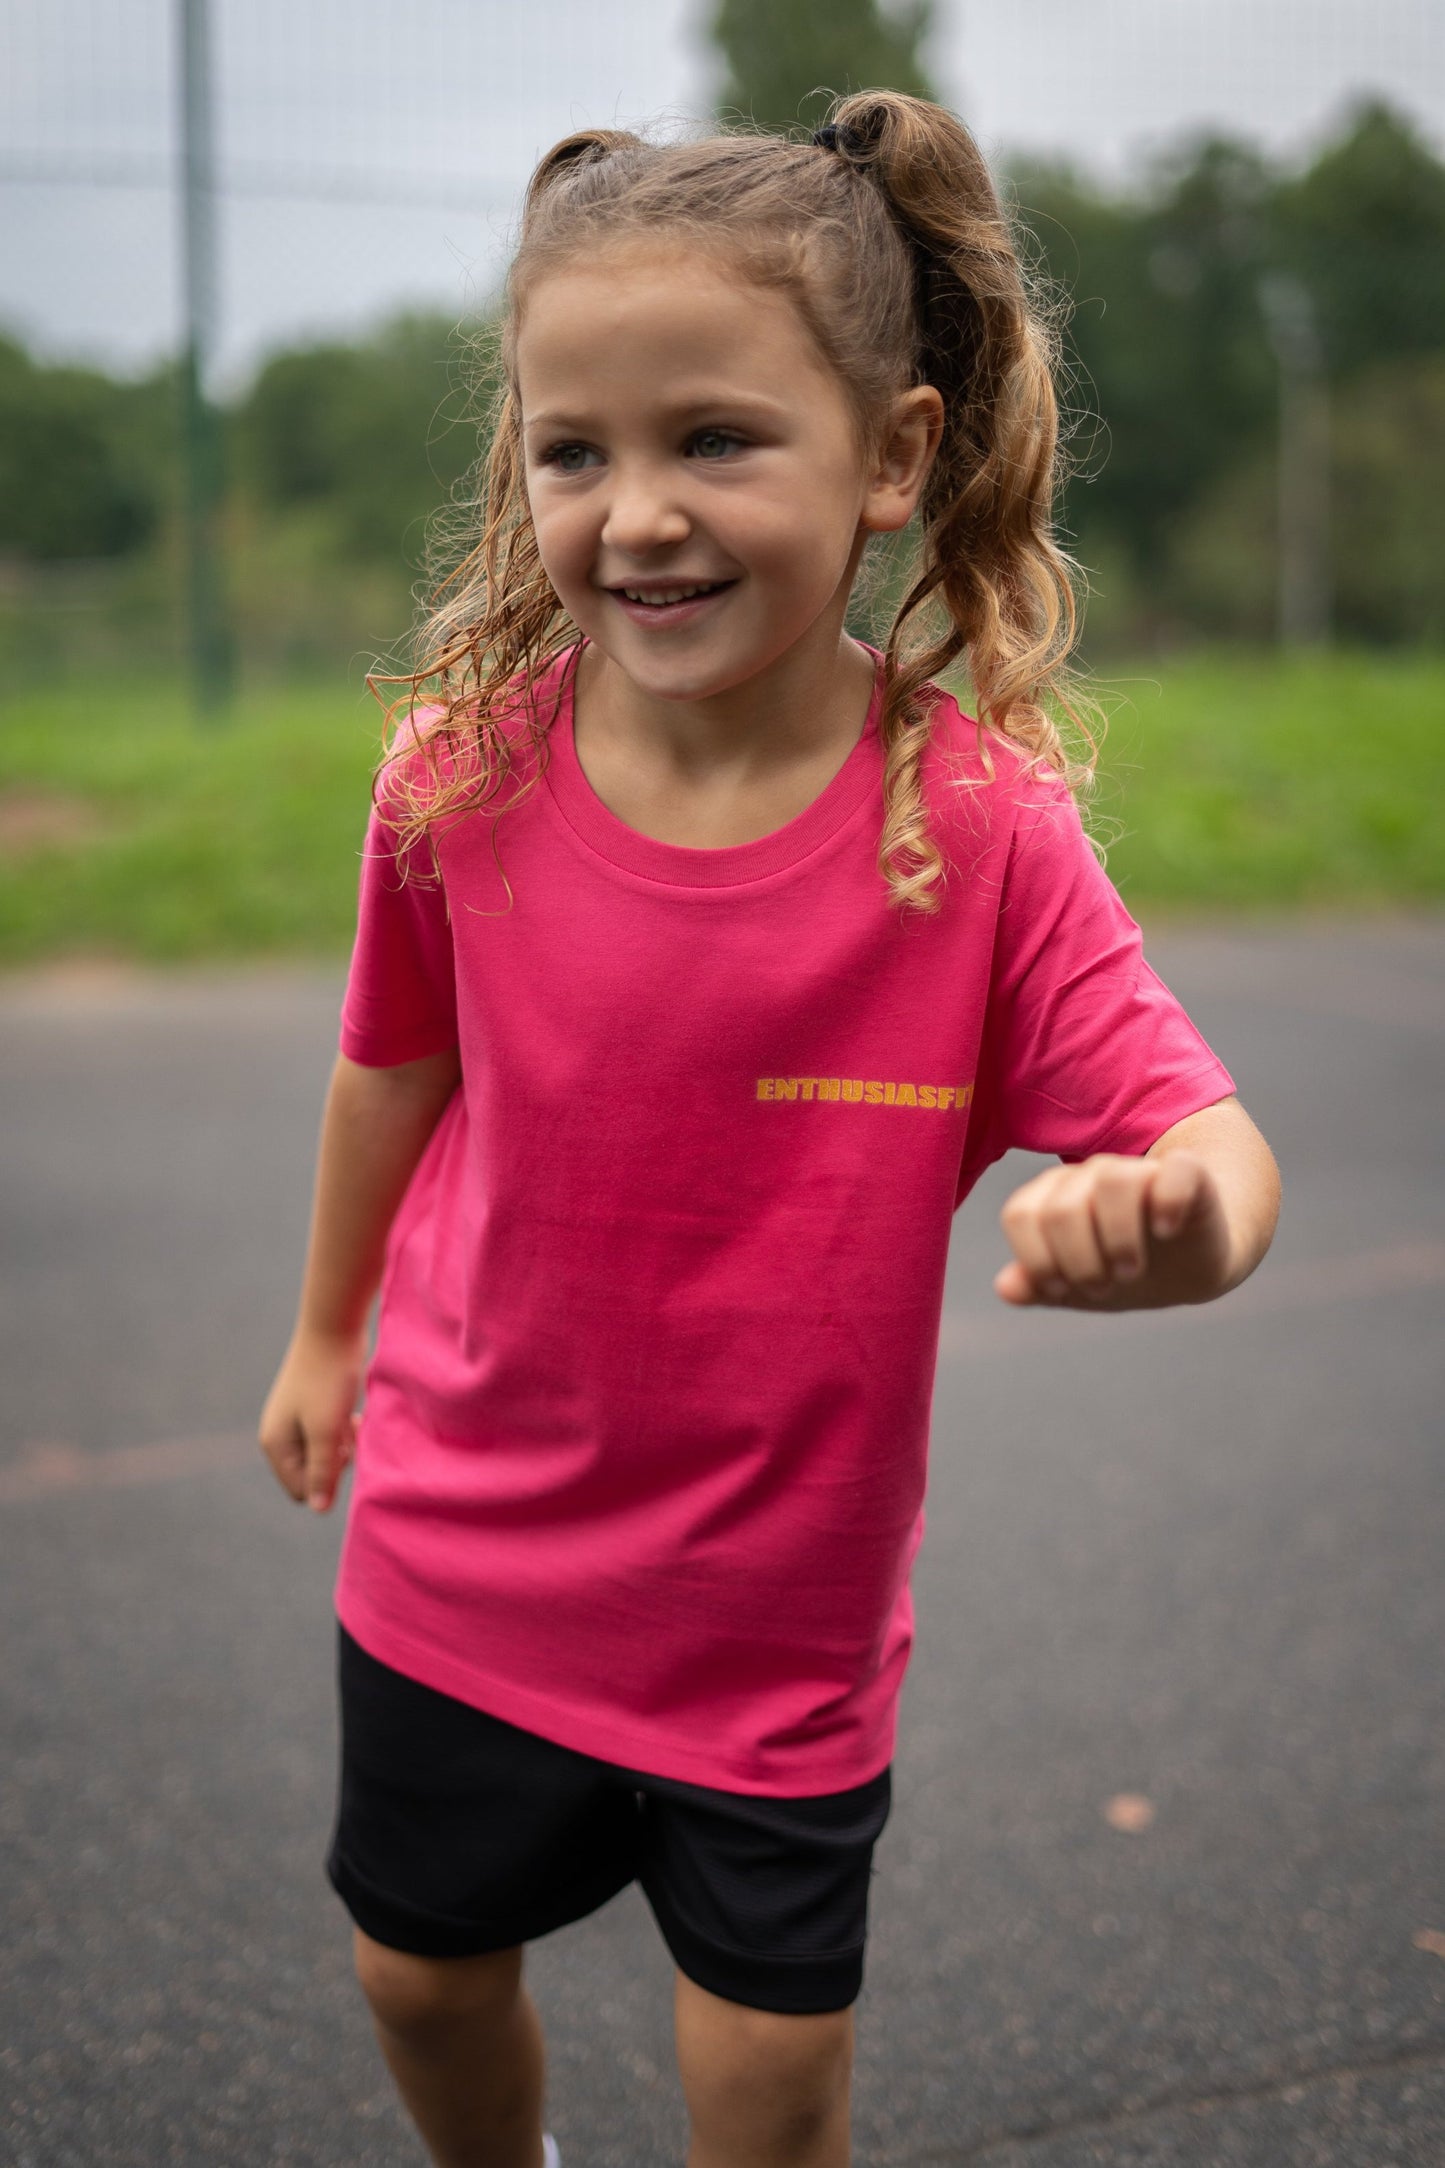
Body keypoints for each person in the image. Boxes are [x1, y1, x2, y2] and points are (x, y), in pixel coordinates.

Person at [258, 90, 1280, 2168]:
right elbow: (394, 1068)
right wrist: (325, 1333)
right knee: (417, 1974)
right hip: (467, 1549)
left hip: (774, 1632)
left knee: (768, 2082)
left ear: (895, 455)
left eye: (716, 438)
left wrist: (1180, 1222)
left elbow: (1212, 1142)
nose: (637, 511)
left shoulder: (978, 840)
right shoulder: (455, 780)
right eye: (578, 451)